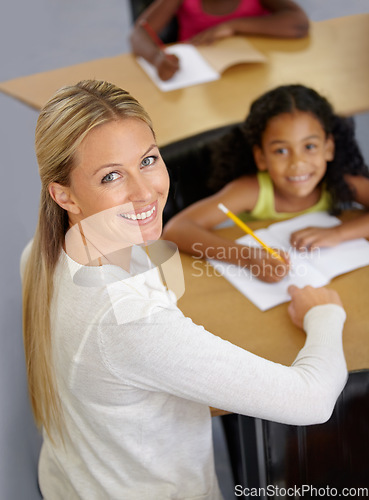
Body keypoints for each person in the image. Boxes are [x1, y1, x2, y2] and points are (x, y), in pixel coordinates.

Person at [21, 79, 347, 500]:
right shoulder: (130, 325)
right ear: (64, 194)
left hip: (78, 476)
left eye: (149, 159)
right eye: (111, 176)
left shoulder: (41, 251)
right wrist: (324, 312)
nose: (145, 192)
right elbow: (312, 401)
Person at [162, 84, 369, 283]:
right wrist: (246, 257)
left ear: (328, 148)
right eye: (281, 151)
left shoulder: (339, 181)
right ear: (261, 157)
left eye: (310, 146)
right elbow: (176, 229)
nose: (298, 163)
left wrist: (338, 233)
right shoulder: (251, 190)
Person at [130, 0, 309, 81]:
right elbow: (138, 33)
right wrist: (156, 59)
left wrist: (235, 26)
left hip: (252, 73)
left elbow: (299, 25)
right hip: (199, 77)